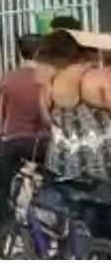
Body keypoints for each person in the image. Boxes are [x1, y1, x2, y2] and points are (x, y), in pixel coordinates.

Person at [36, 29, 111, 182]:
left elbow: (46, 120)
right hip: (102, 165)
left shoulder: (48, 85)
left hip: (62, 164)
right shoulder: (96, 78)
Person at [0, 34, 49, 235]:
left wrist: (1, 135)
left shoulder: (8, 78)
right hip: (39, 141)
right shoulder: (44, 79)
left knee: (3, 186)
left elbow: (0, 112)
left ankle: (4, 228)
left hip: (12, 139)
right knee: (48, 182)